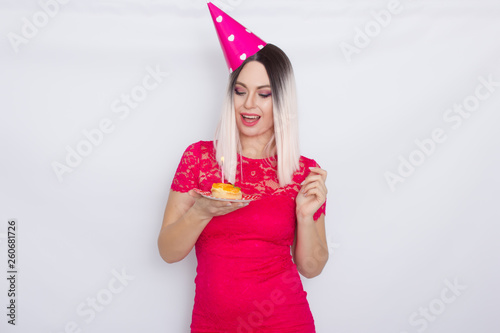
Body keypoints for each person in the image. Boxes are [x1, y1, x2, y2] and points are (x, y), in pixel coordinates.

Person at [158, 3, 328, 332]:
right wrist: (201, 211)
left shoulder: (304, 172)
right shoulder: (198, 157)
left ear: (281, 101)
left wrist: (307, 217)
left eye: (264, 94)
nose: (249, 105)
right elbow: (167, 252)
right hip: (211, 324)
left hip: (285, 321)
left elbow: (311, 267)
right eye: (240, 91)